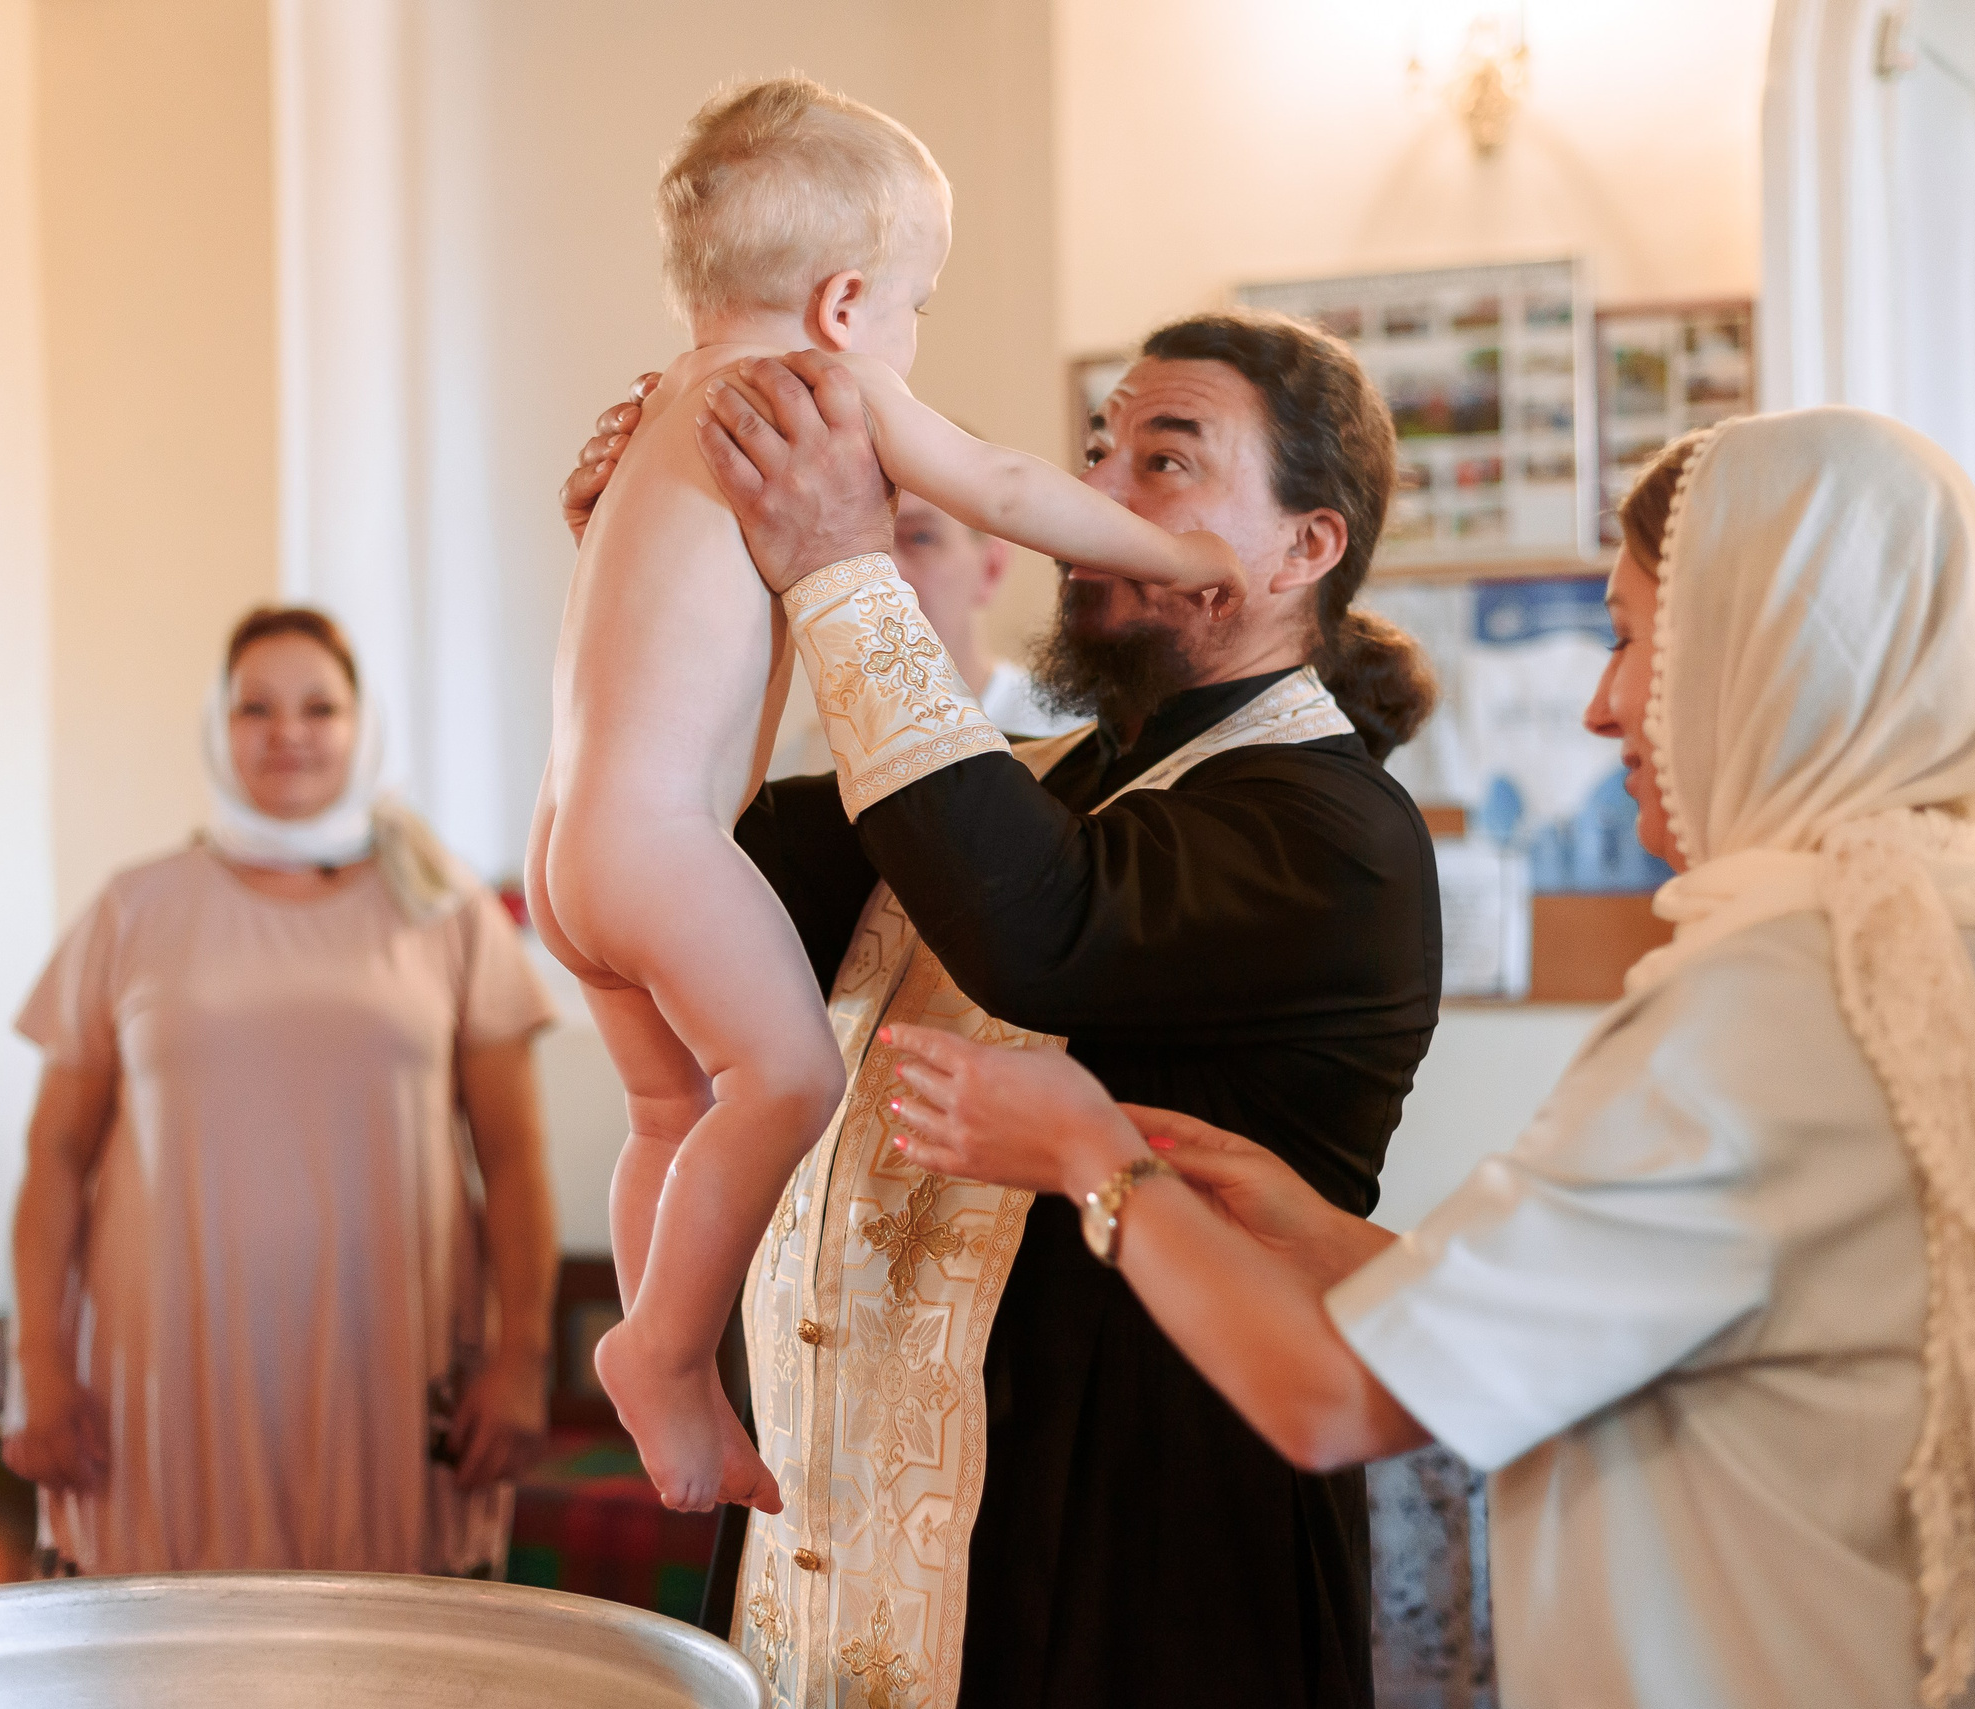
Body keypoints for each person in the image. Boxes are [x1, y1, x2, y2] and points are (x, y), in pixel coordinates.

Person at [875, 409, 1975, 1709]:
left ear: (1764, 659)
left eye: (1632, 642)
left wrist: (1093, 1160)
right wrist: (1320, 1234)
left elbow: (1337, 1406)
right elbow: (1682, 1324)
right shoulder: (1970, 940)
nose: (1604, 708)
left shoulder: (1779, 1002)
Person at [563, 307, 1440, 1709]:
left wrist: (839, 560)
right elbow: (679, 864)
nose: (1096, 500)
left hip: (1129, 1577)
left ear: (1305, 548)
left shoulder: (1336, 832)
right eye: (1098, 454)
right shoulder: (1017, 787)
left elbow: (1039, 925)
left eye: (1165, 461)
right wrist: (663, 557)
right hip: (835, 1555)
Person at [524, 74, 1239, 1517]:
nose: (913, 338)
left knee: (671, 1111)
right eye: (919, 304)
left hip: (567, 850)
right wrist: (1181, 556)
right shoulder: (823, 393)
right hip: (662, 844)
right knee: (784, 1080)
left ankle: (671, 1362)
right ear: (848, 301)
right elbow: (1010, 487)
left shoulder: (670, 404)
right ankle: (660, 1355)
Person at [3, 605, 560, 1577]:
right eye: (255, 706)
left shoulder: (446, 910)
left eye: (319, 706)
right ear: (218, 728)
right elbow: (54, 1155)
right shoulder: (134, 909)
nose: (288, 731)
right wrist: (38, 1367)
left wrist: (522, 1358)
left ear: (363, 725)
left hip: (392, 1375)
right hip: (161, 1386)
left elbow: (512, 1160)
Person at [770, 485, 1086, 775]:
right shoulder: (800, 766)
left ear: (991, 568)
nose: (882, 573)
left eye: (919, 537)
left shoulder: (1070, 741)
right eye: (855, 549)